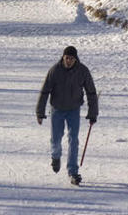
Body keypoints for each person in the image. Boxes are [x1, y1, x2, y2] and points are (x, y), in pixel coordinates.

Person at [36, 46, 98, 185]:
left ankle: (73, 172)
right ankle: (55, 156)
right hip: (57, 109)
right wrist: (40, 112)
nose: (69, 61)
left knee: (73, 140)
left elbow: (91, 92)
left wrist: (92, 113)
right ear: (63, 57)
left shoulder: (82, 71)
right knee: (56, 138)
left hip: (74, 110)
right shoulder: (55, 70)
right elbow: (45, 91)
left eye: (72, 58)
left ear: (76, 59)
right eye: (67, 58)